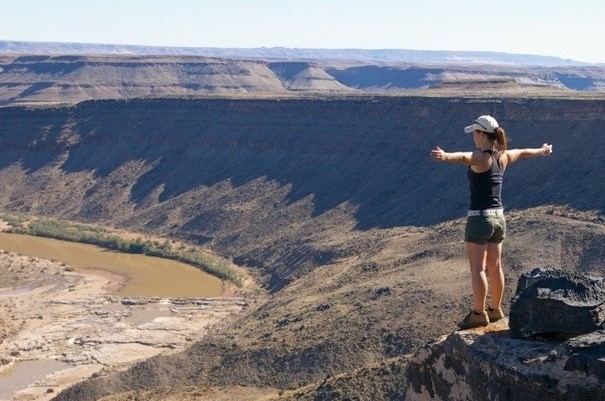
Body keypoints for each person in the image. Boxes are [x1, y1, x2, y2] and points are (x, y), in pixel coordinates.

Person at [430, 115, 552, 329]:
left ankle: (478, 313)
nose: (473, 139)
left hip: (479, 219)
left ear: (481, 134)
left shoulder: (480, 157)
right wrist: (543, 151)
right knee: (495, 266)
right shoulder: (502, 157)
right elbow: (523, 152)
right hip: (499, 217)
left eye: (474, 134)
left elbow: (462, 157)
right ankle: (495, 310)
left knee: (477, 269)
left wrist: (445, 156)